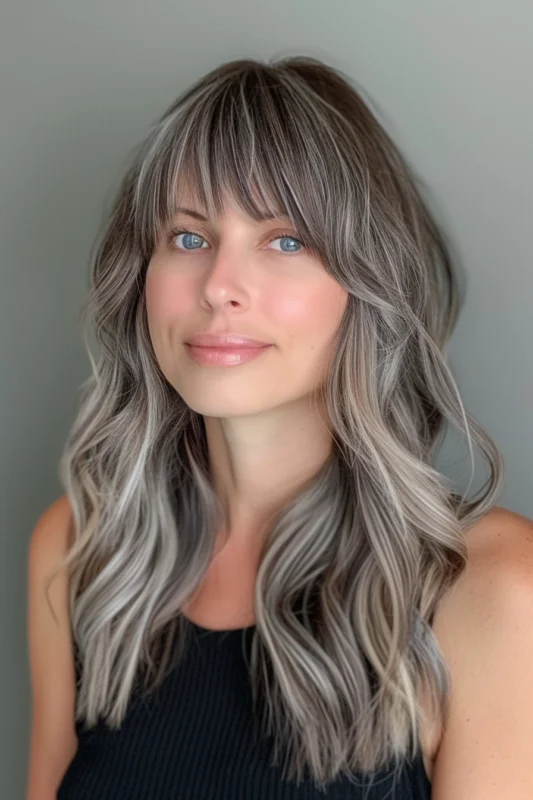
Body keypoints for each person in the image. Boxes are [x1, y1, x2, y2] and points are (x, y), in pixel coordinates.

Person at [26, 55, 533, 800]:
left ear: (366, 288)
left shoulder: (489, 589)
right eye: (189, 238)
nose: (219, 288)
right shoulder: (80, 550)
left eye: (286, 240)